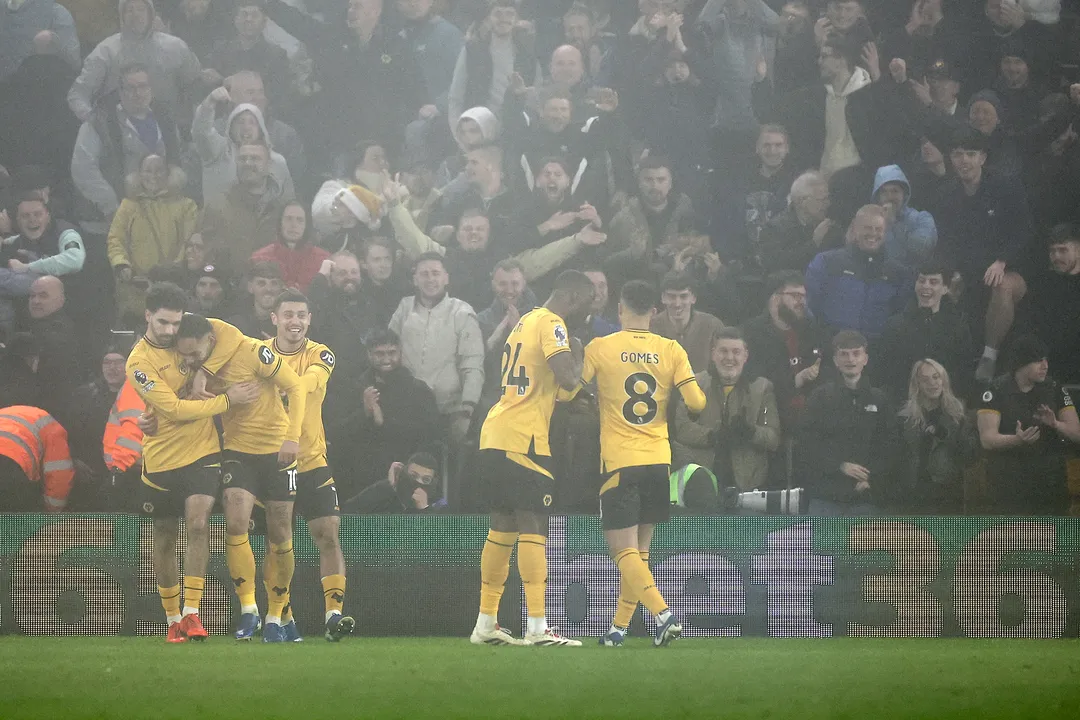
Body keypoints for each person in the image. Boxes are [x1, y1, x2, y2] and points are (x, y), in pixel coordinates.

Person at [577, 279, 706, 648]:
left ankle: (663, 614)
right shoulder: (672, 349)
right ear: (654, 311)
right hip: (658, 461)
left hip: (620, 460)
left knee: (622, 551)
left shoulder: (600, 347)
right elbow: (697, 403)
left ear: (620, 308)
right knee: (640, 552)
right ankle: (618, 629)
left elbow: (570, 390)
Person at [125, 283, 257, 642]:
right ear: (148, 316)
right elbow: (175, 410)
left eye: (176, 323)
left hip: (203, 452)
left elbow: (228, 333)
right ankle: (171, 619)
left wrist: (203, 371)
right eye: (164, 323)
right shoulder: (138, 363)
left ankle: (192, 613)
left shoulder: (188, 335)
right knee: (165, 537)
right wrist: (227, 399)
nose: (171, 331)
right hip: (161, 458)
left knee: (198, 524)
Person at [470, 269, 594, 647]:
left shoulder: (525, 320)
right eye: (587, 305)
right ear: (573, 298)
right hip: (524, 437)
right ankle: (538, 627)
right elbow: (568, 380)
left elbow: (557, 393)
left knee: (502, 529)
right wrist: (578, 356)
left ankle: (486, 623)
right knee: (534, 524)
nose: (586, 314)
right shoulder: (553, 324)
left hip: (496, 431)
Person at [172, 312, 306, 641]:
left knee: (280, 532)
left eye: (195, 353)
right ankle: (250, 611)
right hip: (236, 450)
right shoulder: (195, 368)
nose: (190, 360)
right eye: (184, 354)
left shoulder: (251, 351)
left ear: (211, 341)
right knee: (234, 523)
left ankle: (278, 612)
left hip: (277, 450)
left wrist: (292, 437)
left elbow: (296, 386)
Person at [264, 290, 354, 642]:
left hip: (312, 460)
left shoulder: (321, 353)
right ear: (274, 318)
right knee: (277, 543)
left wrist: (285, 384)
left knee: (328, 535)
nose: (295, 321)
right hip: (272, 462)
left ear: (309, 319)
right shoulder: (260, 355)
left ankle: (333, 615)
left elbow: (311, 380)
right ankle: (280, 615)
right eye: (288, 314)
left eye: (301, 315)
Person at [923, 127, 1032, 382]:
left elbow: (1025, 230)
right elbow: (946, 241)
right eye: (958, 154)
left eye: (970, 154)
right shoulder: (945, 195)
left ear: (982, 157)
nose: (964, 161)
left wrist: (1002, 260)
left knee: (1001, 285)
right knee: (940, 287)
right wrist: (953, 273)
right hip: (968, 270)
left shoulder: (1005, 186)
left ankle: (989, 357)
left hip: (1011, 268)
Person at [976, 335, 1080, 515]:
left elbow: (1076, 433)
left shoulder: (1055, 388)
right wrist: (1017, 440)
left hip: (1050, 480)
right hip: (1008, 481)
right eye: (1038, 360)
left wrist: (1056, 424)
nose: (1045, 365)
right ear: (1020, 363)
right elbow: (987, 439)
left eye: (1046, 359)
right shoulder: (995, 390)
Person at [388, 253, 485, 446]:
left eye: (435, 273)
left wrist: (467, 409)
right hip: (406, 409)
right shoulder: (404, 308)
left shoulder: (462, 312)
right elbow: (388, 352)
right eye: (424, 274)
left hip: (448, 412)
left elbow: (472, 364)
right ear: (415, 279)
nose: (430, 279)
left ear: (446, 278)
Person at [673, 327, 781, 495]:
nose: (729, 358)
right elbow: (681, 428)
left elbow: (773, 437)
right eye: (723, 351)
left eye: (736, 352)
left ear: (745, 355)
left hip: (748, 485)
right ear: (713, 354)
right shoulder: (695, 384)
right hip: (701, 483)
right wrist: (713, 436)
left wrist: (750, 432)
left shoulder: (763, 388)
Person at [798, 330, 894, 516]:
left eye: (856, 353)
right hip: (825, 494)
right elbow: (807, 444)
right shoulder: (820, 397)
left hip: (867, 495)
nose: (851, 359)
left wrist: (871, 478)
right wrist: (839, 466)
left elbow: (890, 447)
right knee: (824, 544)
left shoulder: (880, 400)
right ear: (835, 360)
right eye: (844, 354)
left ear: (865, 358)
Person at [67, 0, 204, 123]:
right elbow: (78, 95)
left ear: (151, 13)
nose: (136, 15)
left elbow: (197, 85)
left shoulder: (175, 47)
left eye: (141, 9)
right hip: (119, 138)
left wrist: (196, 121)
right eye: (130, 10)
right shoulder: (106, 51)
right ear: (121, 15)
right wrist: (96, 122)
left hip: (170, 132)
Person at [107, 155, 197, 326]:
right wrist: (122, 264)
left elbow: (188, 241)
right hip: (135, 289)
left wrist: (171, 274)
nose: (153, 176)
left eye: (159, 170)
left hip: (173, 288)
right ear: (139, 175)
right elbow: (115, 239)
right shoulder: (127, 206)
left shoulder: (186, 206)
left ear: (168, 174)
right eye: (147, 171)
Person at [805, 204, 912, 340]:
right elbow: (810, 304)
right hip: (833, 346)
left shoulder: (896, 271)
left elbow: (900, 312)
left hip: (878, 349)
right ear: (855, 229)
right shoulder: (826, 261)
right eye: (867, 228)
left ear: (885, 233)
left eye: (878, 229)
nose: (873, 233)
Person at [743, 271, 829, 433]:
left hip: (811, 420)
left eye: (803, 296)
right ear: (775, 298)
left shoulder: (812, 330)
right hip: (769, 418)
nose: (801, 302)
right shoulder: (751, 334)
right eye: (795, 296)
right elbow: (752, 379)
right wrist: (794, 381)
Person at [879, 261, 974, 401]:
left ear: (945, 289)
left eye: (933, 282)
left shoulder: (957, 327)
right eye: (921, 280)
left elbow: (963, 371)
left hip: (945, 403)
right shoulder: (895, 325)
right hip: (903, 401)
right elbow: (886, 370)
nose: (926, 286)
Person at [894, 359, 977, 514]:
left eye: (936, 377)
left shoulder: (958, 415)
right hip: (911, 494)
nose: (932, 383)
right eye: (925, 379)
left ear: (944, 379)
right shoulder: (904, 417)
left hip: (946, 493)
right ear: (917, 384)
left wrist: (945, 435)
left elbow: (971, 455)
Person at [192, 86, 295, 204]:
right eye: (241, 122)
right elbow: (201, 132)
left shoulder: (276, 161)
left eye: (252, 122)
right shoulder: (217, 151)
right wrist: (209, 102)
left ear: (260, 129)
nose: (246, 127)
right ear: (231, 127)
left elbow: (288, 201)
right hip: (218, 220)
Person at [446, 0, 540, 129]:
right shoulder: (473, 50)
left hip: (515, 128)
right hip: (477, 128)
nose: (503, 19)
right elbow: (456, 97)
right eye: (498, 13)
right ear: (489, 18)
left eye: (509, 14)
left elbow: (535, 100)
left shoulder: (527, 53)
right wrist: (458, 133)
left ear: (517, 18)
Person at [200, 141, 294, 270]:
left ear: (269, 165)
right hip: (231, 286)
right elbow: (207, 256)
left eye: (255, 158)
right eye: (242, 159)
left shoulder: (286, 209)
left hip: (272, 285)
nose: (248, 163)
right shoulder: (217, 206)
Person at [204, 1, 291, 107]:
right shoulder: (220, 51)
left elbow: (278, 96)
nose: (248, 19)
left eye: (254, 15)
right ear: (236, 20)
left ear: (264, 22)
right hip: (225, 114)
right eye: (244, 14)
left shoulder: (277, 56)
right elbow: (209, 82)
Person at [0, 405, 75, 512]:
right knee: (12, 522)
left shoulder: (5, 414)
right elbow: (60, 474)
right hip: (12, 468)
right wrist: (52, 511)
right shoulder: (51, 427)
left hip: (12, 464)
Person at [1030, 224, 1080, 385]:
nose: (1056, 256)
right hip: (1049, 370)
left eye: (1063, 250)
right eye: (1052, 251)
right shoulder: (1043, 284)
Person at [757, 170, 833, 275]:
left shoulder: (830, 227)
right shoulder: (774, 229)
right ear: (802, 201)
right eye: (822, 199)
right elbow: (775, 264)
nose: (828, 203)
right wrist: (814, 243)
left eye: (827, 198)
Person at [650, 272, 725, 373]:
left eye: (683, 296)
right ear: (663, 298)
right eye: (672, 296)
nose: (677, 303)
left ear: (693, 298)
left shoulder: (713, 326)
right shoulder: (651, 327)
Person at [2, 191, 85, 278]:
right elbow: (10, 241)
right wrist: (5, 236)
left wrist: (27, 267)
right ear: (18, 220)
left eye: (37, 214)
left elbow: (74, 260)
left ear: (48, 216)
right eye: (25, 216)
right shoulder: (20, 238)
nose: (32, 220)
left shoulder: (67, 234)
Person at [251, 202, 330, 293]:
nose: (293, 225)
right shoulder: (259, 258)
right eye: (288, 219)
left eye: (300, 220)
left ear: (307, 225)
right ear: (280, 223)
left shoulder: (323, 260)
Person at [871, 164, 937, 271]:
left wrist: (892, 223)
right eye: (884, 192)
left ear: (904, 194)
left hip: (916, 282)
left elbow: (922, 250)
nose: (890, 197)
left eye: (895, 191)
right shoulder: (870, 221)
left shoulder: (922, 218)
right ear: (878, 197)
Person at [352, 452, 444, 513]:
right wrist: (389, 485)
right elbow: (349, 510)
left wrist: (424, 509)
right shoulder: (386, 493)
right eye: (413, 476)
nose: (418, 482)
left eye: (426, 480)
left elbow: (439, 539)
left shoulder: (439, 506)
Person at [227, 261, 284, 339]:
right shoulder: (234, 325)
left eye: (274, 283)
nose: (268, 289)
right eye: (261, 283)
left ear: (281, 288)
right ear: (250, 287)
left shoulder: (290, 323)